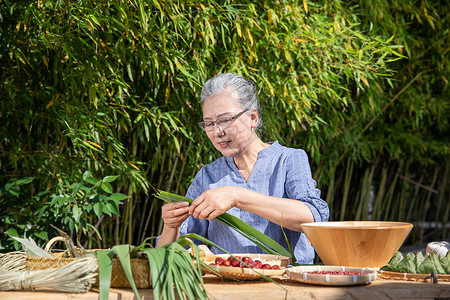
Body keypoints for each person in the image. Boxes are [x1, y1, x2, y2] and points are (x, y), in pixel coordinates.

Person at [156, 73, 329, 264]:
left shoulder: (288, 159)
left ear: (252, 117)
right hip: (227, 286)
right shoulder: (207, 177)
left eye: (225, 120)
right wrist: (170, 226)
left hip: (287, 285)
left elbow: (312, 218)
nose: (217, 132)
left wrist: (237, 196)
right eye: (209, 124)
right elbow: (172, 256)